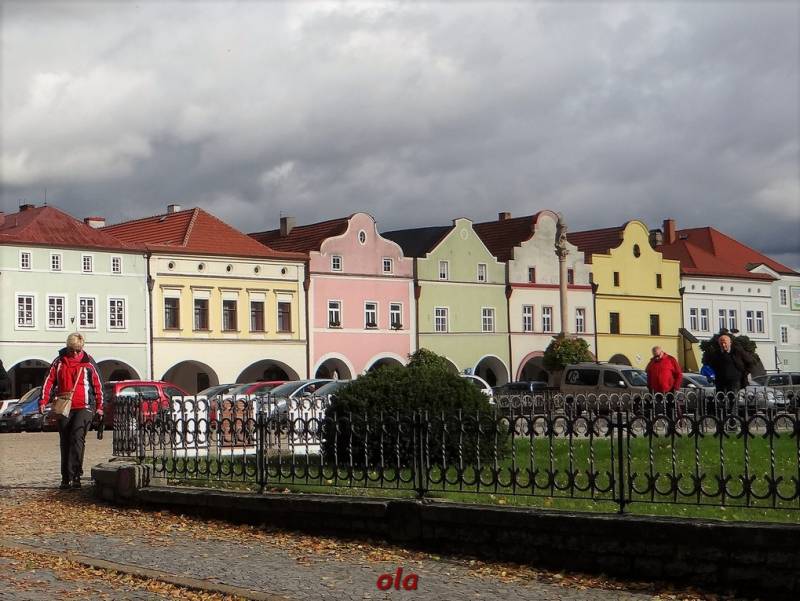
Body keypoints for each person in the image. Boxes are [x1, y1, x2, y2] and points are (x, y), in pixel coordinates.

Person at [41, 333, 104, 490]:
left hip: (84, 406)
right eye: (72, 350)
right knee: (65, 441)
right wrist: (43, 400)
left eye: (78, 350)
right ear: (67, 347)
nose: (75, 353)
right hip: (64, 405)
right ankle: (66, 477)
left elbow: (98, 385)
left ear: (82, 348)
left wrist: (100, 407)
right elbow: (48, 381)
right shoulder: (59, 362)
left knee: (77, 438)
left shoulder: (88, 362)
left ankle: (76, 475)